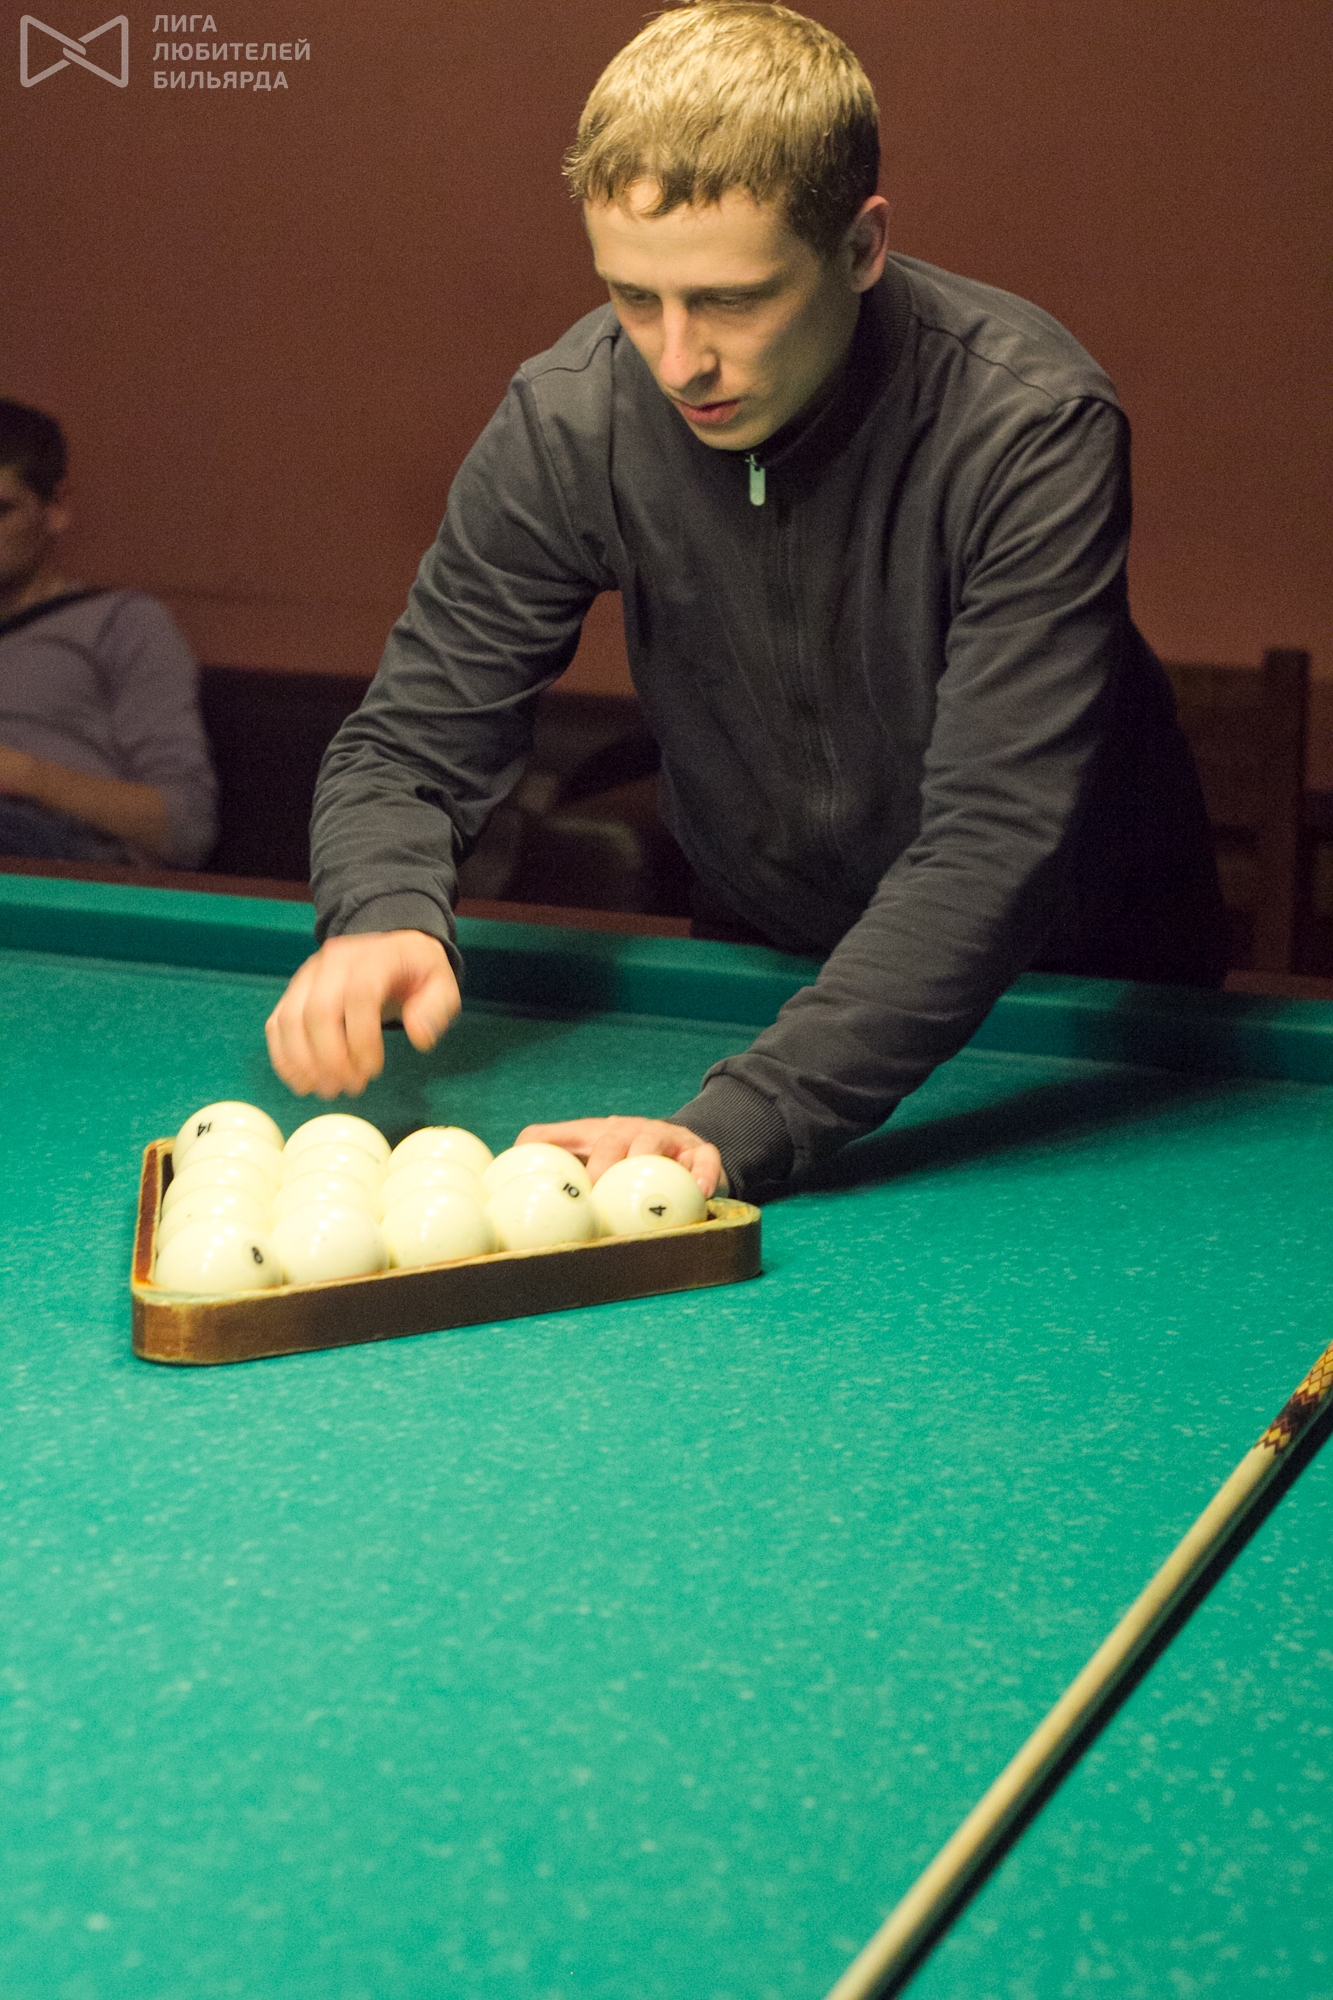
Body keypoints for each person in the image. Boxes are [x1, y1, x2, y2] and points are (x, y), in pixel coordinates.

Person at [265, 1, 1225, 1200]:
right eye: (634, 297)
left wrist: (754, 1115)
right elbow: (409, 745)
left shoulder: (1026, 424)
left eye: (730, 299)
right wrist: (382, 905)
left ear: (861, 247)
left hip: (1088, 978)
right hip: (772, 956)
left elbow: (991, 841)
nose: (677, 361)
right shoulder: (573, 418)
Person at [0, 399, 217, 868]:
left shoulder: (121, 622)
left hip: (57, 853)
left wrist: (22, 775)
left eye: (2, 510)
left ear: (56, 508)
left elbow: (185, 825)